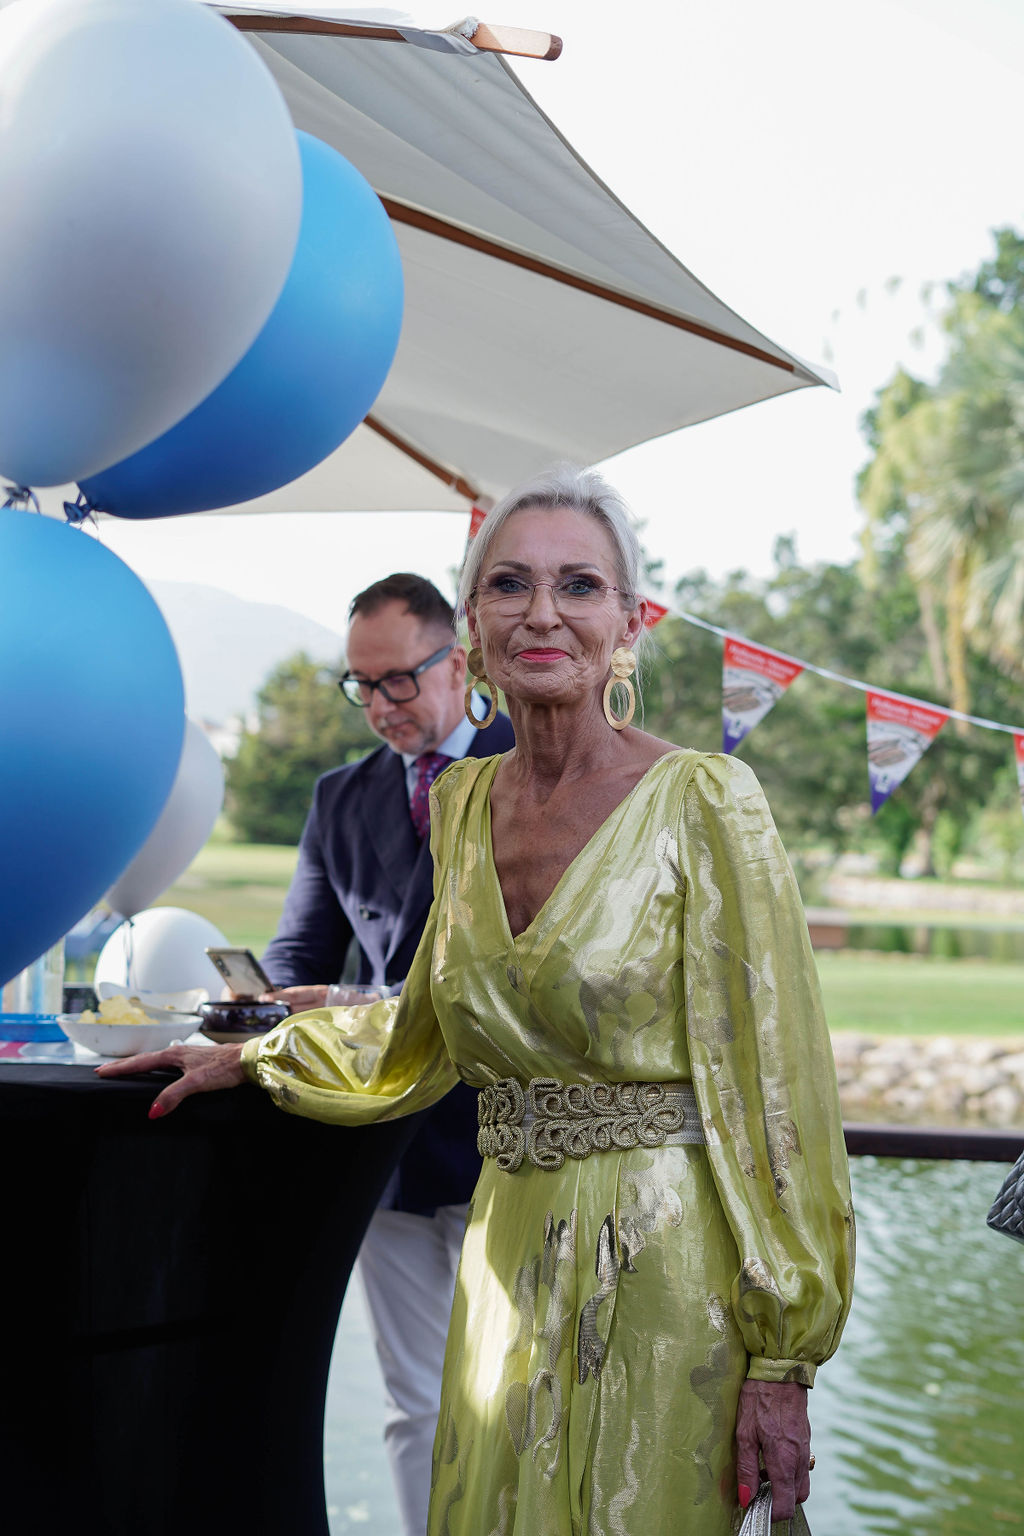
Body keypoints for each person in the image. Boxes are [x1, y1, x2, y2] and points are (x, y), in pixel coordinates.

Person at [100, 466, 855, 1534]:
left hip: (664, 1269)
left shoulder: (704, 802)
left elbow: (777, 1086)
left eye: (578, 585)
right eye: (510, 584)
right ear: (474, 625)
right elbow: (418, 1036)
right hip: (504, 1257)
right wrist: (254, 1057)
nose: (542, 612)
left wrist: (783, 1356)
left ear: (630, 622)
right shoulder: (459, 807)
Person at [254, 572, 515, 1536]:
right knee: (418, 1402)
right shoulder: (341, 796)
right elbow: (300, 951)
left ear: (460, 663)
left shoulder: (531, 768)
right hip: (385, 1144)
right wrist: (261, 1001)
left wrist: (353, 1002)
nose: (379, 705)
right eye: (361, 685)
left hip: (511, 1139)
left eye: (398, 679)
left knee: (523, 1398)